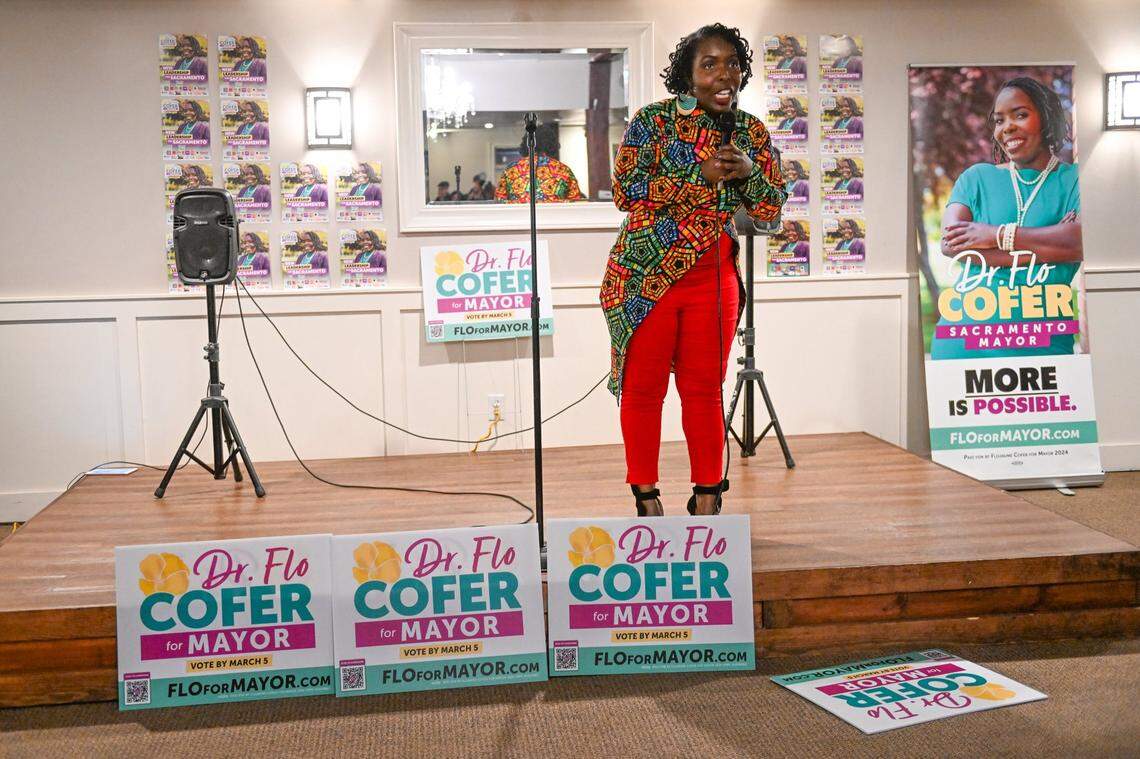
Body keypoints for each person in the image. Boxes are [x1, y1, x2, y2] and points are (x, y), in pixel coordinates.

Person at [599, 23, 786, 517]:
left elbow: (770, 212)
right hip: (646, 280)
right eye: (710, 65)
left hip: (713, 281)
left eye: (732, 64)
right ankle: (646, 498)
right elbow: (626, 191)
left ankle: (708, 497)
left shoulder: (750, 132)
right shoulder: (653, 122)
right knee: (644, 392)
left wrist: (749, 174)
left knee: (704, 392)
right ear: (687, 75)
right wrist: (697, 176)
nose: (724, 75)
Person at [936, 76, 1082, 359]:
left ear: (1046, 119)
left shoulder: (1075, 179)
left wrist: (994, 236)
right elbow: (950, 244)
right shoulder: (976, 178)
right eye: (999, 120)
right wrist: (1049, 248)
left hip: (1043, 346)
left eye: (1020, 115)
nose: (1007, 127)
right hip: (964, 341)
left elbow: (1080, 241)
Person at [495, 125, 585, 203]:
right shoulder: (563, 170)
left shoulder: (511, 169)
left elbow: (499, 201)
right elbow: (575, 202)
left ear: (527, 143)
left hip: (519, 217)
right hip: (555, 216)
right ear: (552, 144)